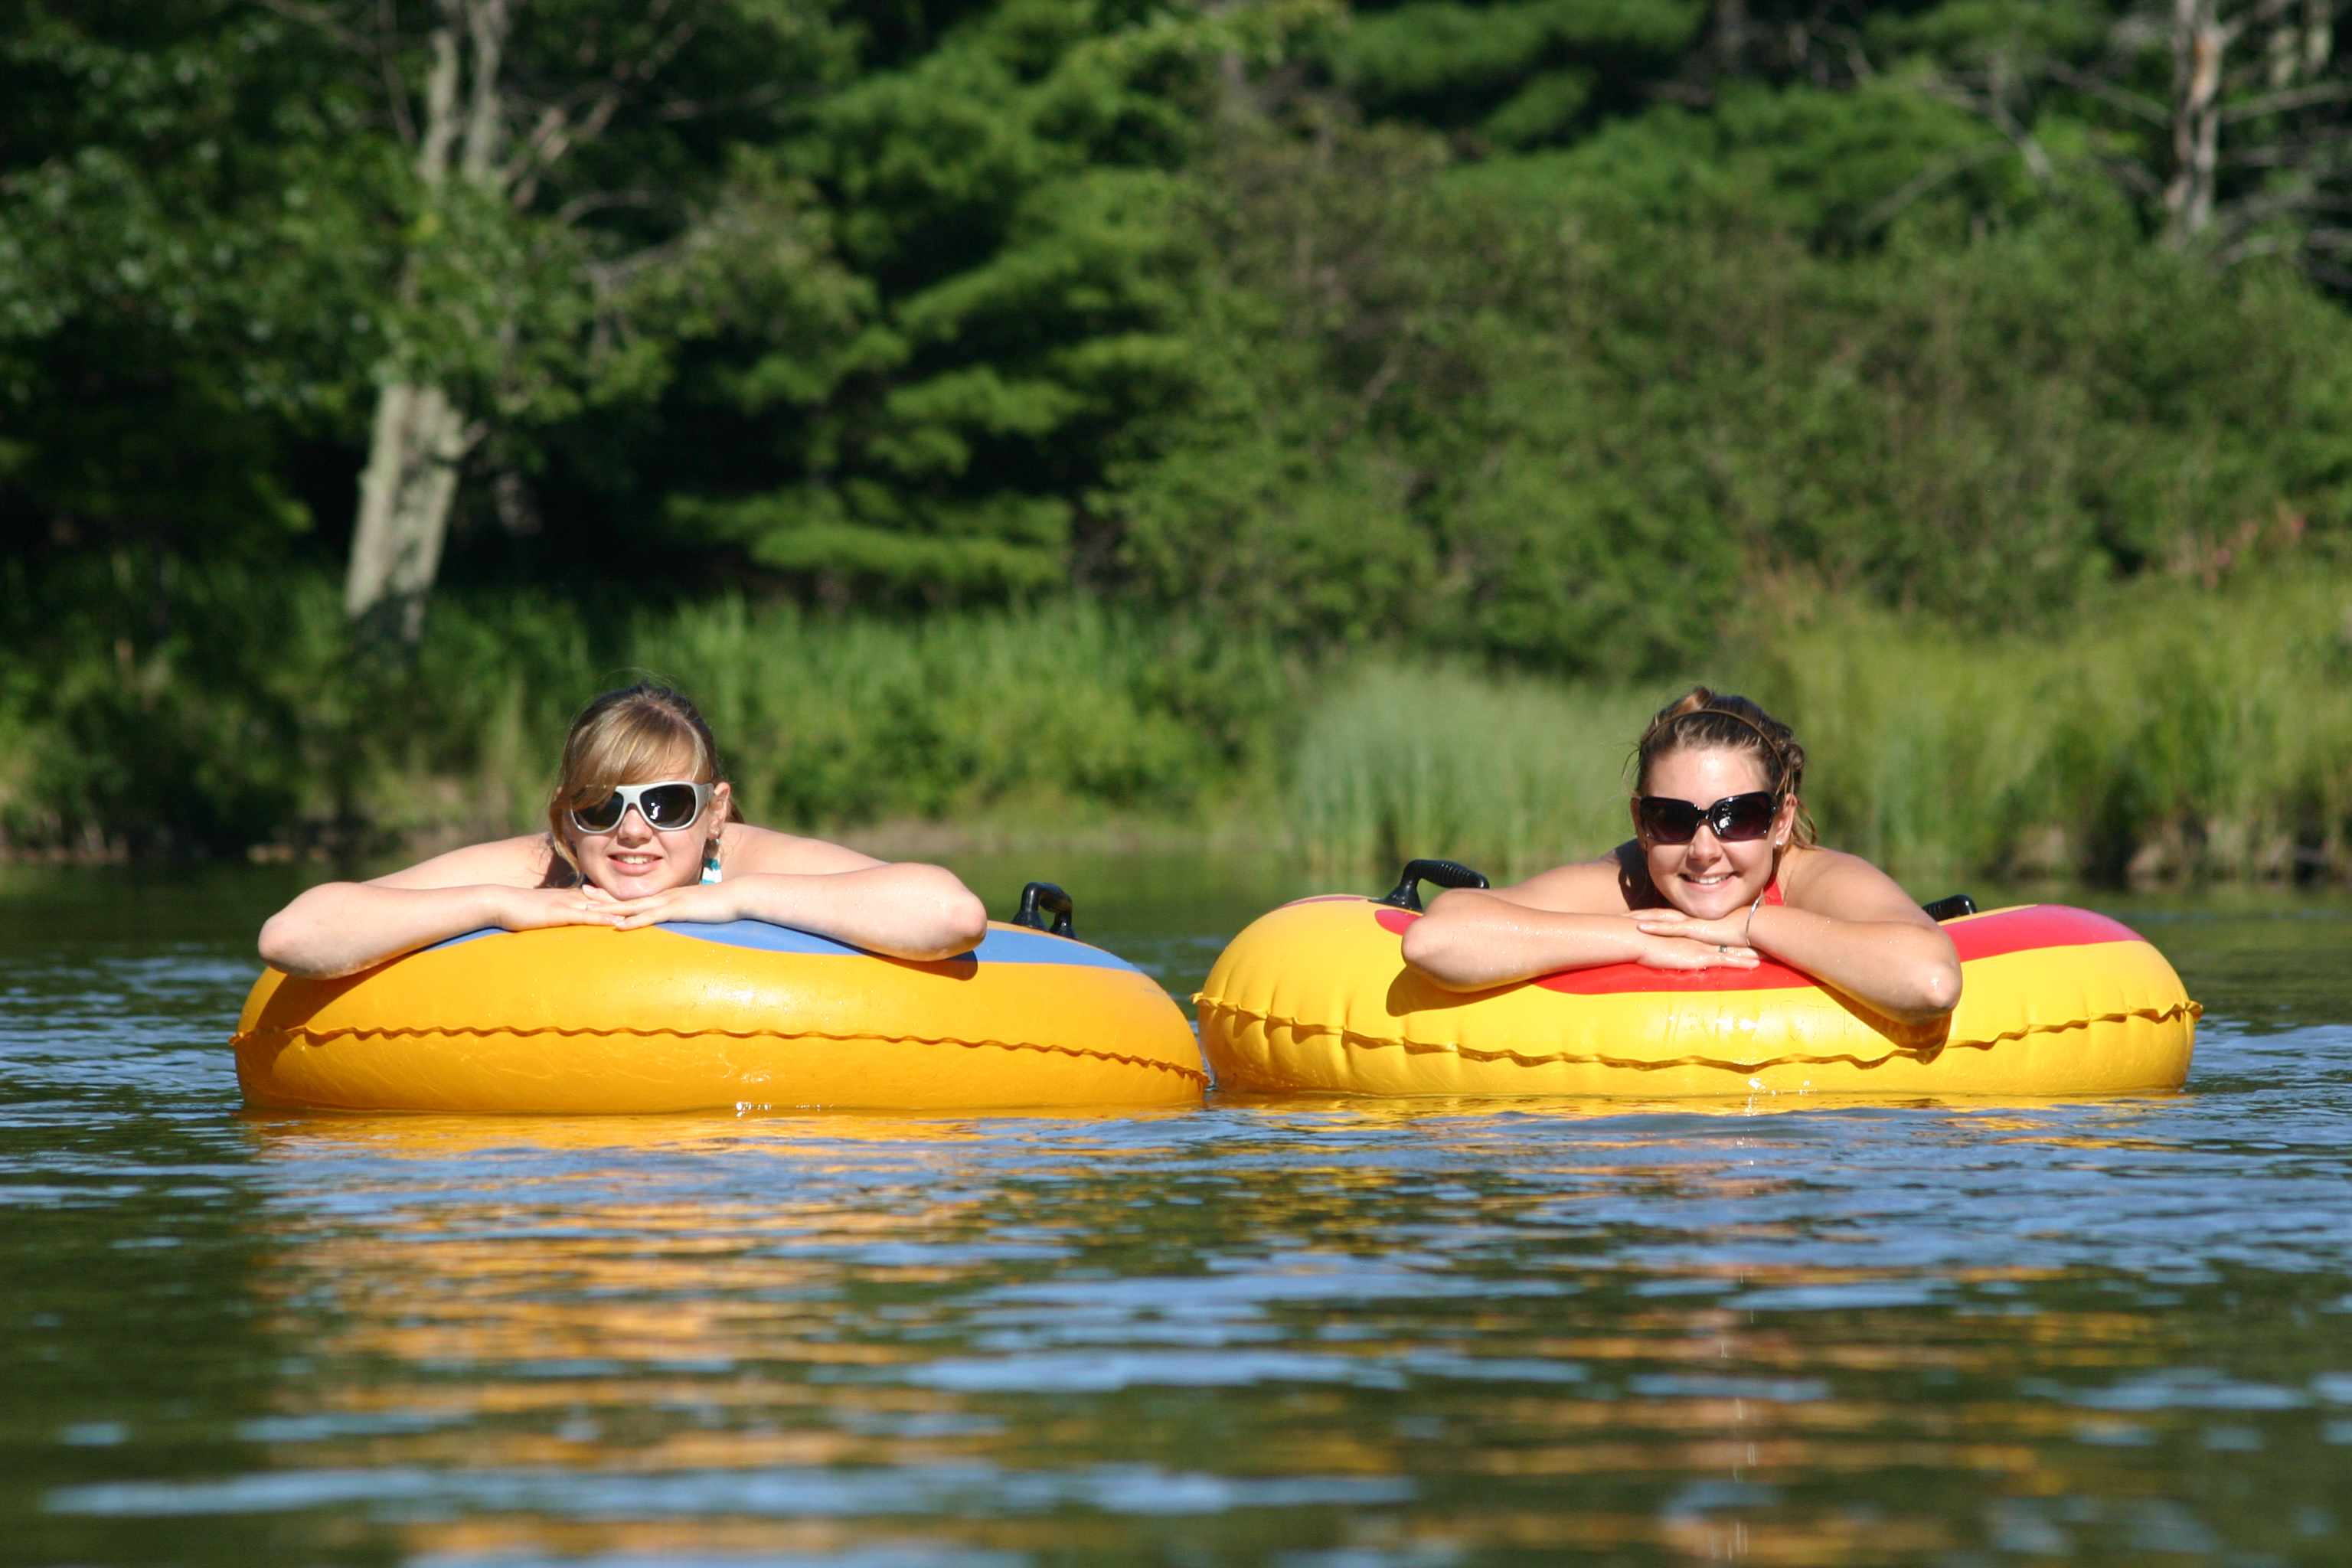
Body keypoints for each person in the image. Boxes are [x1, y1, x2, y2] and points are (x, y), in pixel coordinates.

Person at [258, 683, 990, 980]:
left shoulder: (741, 860)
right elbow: (292, 937)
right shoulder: (537, 870)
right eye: (601, 806)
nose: (633, 832)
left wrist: (735, 901)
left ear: (715, 810)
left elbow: (950, 914)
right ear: (563, 819)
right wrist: (491, 906)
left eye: (668, 804)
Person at [1399, 688, 1962, 1024]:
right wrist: (1640, 939)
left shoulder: (1817, 881)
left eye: (1736, 816)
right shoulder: (1626, 883)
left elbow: (1930, 984)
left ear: (1781, 820)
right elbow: (1436, 939)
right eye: (1673, 818)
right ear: (1642, 824)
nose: (1702, 850)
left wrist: (1747, 927)